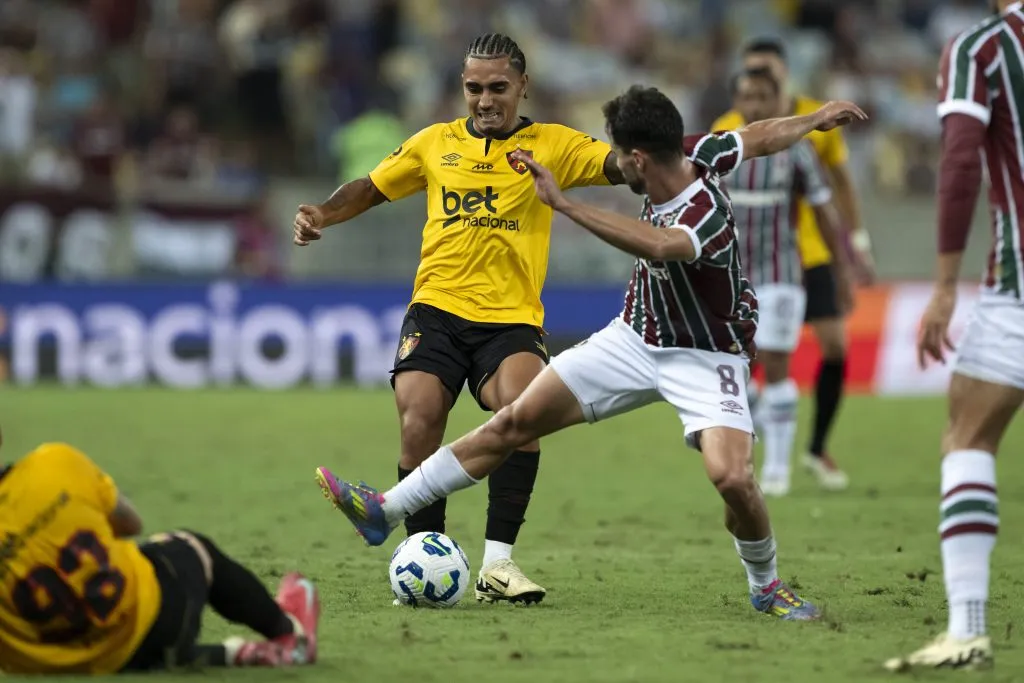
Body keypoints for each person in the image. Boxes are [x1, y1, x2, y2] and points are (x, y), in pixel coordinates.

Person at [313, 85, 867, 619]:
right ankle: (385, 510)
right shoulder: (701, 150)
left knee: (733, 480)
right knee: (514, 421)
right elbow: (761, 135)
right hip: (632, 338)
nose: (614, 167)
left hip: (706, 355)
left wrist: (563, 204)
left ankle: (766, 586)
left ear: (641, 159)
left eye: (620, 158)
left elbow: (658, 244)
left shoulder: (703, 216)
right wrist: (812, 120)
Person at [292, 33, 623, 605]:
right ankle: (425, 552)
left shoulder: (555, 144)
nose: (485, 100)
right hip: (437, 310)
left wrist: (654, 154)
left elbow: (616, 165)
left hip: (512, 320)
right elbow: (369, 189)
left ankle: (498, 566)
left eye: (498, 87)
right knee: (419, 418)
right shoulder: (434, 143)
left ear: (524, 86)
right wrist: (323, 211)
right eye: (474, 88)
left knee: (522, 412)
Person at [885, 0, 1020, 671]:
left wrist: (943, 284)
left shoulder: (982, 49)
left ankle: (967, 625)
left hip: (1016, 288)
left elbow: (962, 161)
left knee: (968, 437)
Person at [0, 430, 320, 674]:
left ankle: (228, 653)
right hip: (152, 618)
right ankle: (289, 632)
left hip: (68, 667)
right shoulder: (53, 463)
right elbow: (130, 523)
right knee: (190, 546)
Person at [713, 38, 877, 491]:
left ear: (778, 92)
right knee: (734, 368)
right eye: (747, 96)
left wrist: (847, 261)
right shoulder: (720, 144)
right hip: (732, 275)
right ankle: (761, 414)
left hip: (788, 267)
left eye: (763, 95)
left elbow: (828, 205)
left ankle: (782, 466)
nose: (754, 104)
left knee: (794, 357)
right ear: (737, 99)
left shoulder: (802, 142)